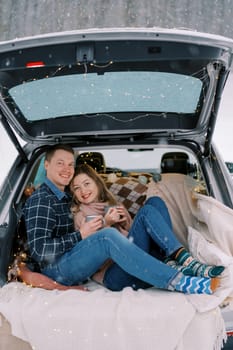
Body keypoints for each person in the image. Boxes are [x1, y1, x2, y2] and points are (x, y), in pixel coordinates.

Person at [23, 144, 221, 295]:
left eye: (70, 164)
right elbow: (40, 250)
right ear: (46, 165)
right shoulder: (44, 201)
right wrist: (83, 233)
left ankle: (178, 259)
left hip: (114, 261)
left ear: (97, 184)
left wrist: (126, 223)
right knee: (107, 236)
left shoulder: (63, 198)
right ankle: (181, 281)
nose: (67, 169)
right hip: (80, 270)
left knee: (154, 203)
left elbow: (130, 244)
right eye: (60, 163)